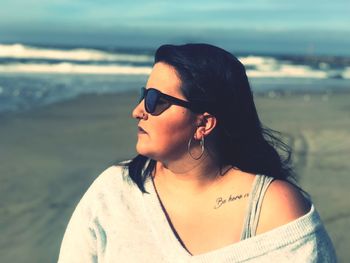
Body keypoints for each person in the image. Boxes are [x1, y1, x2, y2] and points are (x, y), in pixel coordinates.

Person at [58, 44, 336, 262]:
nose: (138, 111)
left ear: (204, 123)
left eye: (156, 101)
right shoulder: (114, 192)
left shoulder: (273, 209)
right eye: (144, 95)